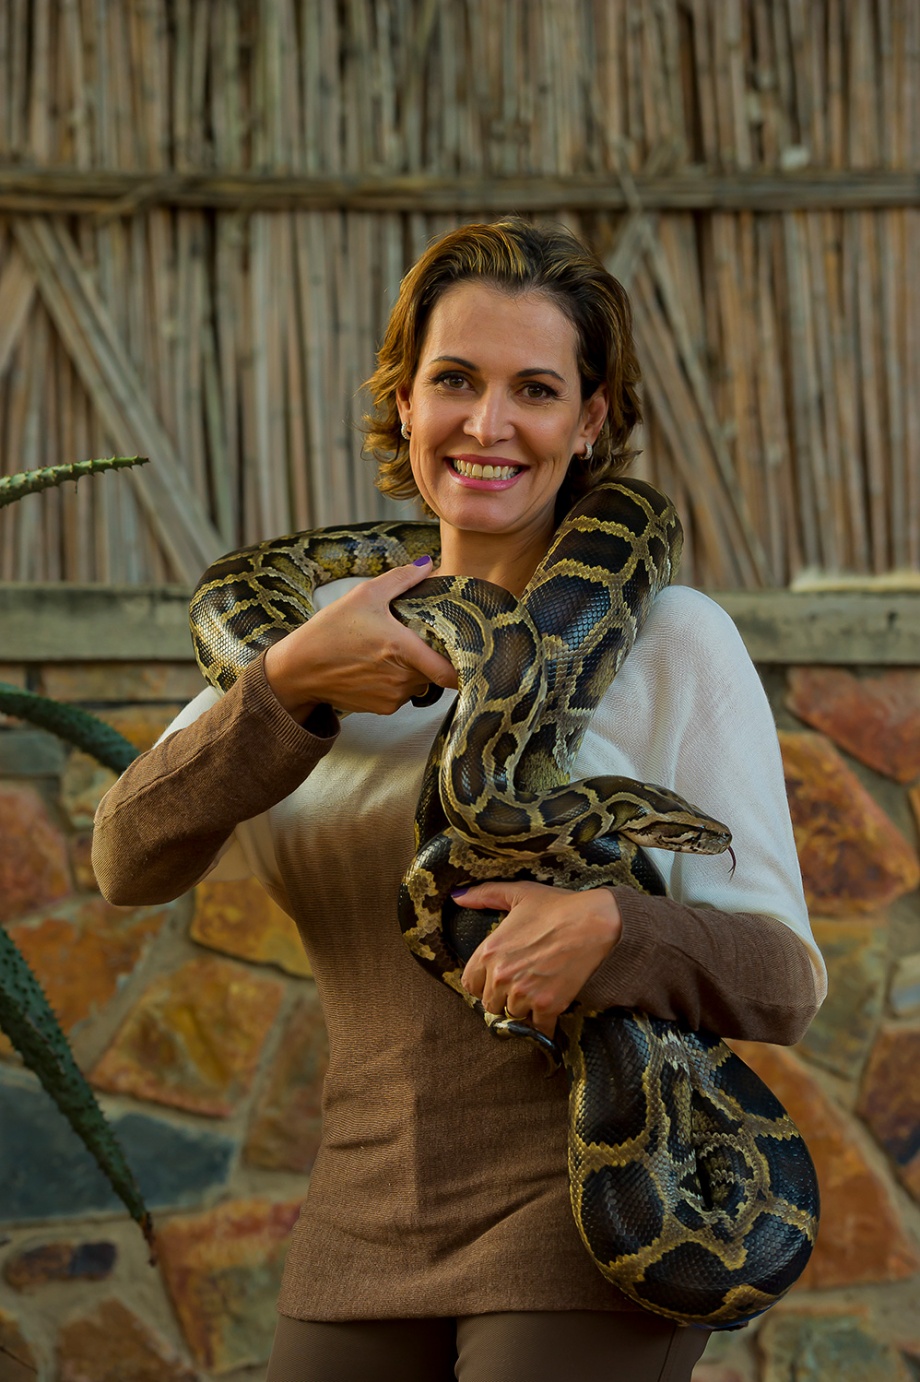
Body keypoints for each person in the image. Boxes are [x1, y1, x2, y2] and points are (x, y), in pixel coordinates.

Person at [92, 218, 826, 1382]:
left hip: (584, 1213)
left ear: (588, 421)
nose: (487, 425)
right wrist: (288, 687)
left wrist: (613, 927)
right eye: (453, 381)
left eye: (534, 388)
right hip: (362, 1212)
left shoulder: (673, 636)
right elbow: (127, 856)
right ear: (402, 401)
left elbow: (784, 979)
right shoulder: (315, 639)